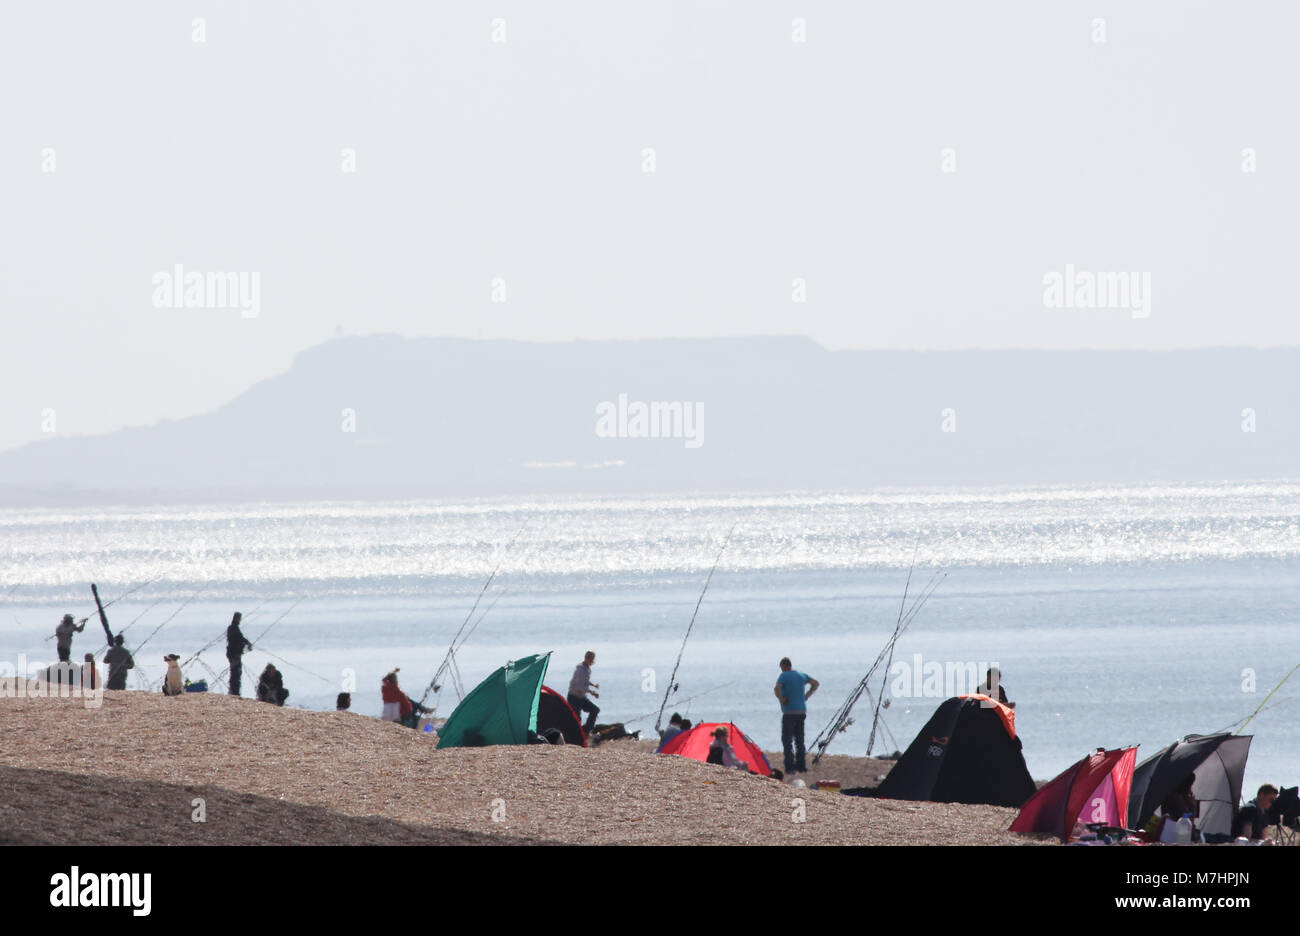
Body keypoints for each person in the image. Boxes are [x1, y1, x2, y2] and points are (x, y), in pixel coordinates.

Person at [774, 657, 818, 775]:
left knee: (787, 740)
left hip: (789, 712)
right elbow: (815, 683)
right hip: (801, 711)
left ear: (784, 666)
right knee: (799, 740)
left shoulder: (784, 676)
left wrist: (781, 699)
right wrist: (807, 695)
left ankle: (790, 767)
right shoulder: (801, 675)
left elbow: (776, 688)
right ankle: (802, 766)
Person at [567, 650, 600, 733]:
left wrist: (593, 685)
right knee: (577, 719)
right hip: (574, 697)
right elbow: (579, 687)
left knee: (595, 710)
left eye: (593, 660)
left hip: (581, 697)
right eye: (591, 660)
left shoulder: (587, 668)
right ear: (587, 658)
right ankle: (577, 735)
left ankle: (586, 730)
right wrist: (592, 693)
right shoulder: (580, 670)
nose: (592, 662)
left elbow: (585, 681)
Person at [225, 611, 253, 697]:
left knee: (235, 672)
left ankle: (234, 691)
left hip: (233, 654)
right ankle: (235, 691)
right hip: (234, 654)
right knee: (236, 673)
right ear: (236, 618)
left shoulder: (233, 628)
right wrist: (247, 643)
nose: (239, 620)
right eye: (239, 618)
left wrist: (246, 643)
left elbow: (240, 638)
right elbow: (239, 639)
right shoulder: (234, 628)